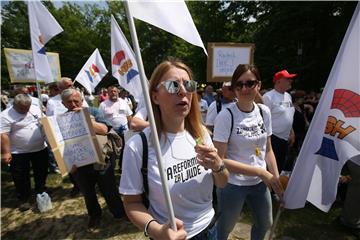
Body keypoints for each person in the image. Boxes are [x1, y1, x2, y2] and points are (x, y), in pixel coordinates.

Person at [119, 59, 229, 239]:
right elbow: (131, 203)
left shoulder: (200, 133)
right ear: (154, 96)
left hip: (211, 229)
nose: (183, 91)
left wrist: (218, 166)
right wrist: (157, 231)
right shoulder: (138, 146)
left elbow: (222, 182)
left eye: (189, 85)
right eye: (173, 85)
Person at [213, 64, 284, 240]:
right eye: (239, 84)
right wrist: (261, 172)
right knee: (224, 228)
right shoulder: (226, 116)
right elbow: (220, 160)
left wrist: (275, 180)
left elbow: (268, 150)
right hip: (232, 184)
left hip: (259, 184)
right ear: (234, 88)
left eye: (250, 83)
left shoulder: (264, 111)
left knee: (264, 224)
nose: (244, 89)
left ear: (258, 85)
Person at [61, 88, 125, 230]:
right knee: (88, 193)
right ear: (63, 104)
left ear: (82, 101)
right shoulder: (61, 120)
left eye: (76, 101)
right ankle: (95, 216)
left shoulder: (94, 112)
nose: (73, 104)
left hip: (101, 160)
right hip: (80, 164)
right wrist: (69, 163)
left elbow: (104, 130)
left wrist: (85, 119)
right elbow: (61, 144)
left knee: (109, 189)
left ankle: (119, 212)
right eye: (69, 102)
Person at [0, 94, 49, 211]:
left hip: (40, 148)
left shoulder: (34, 109)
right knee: (21, 176)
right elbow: (3, 135)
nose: (26, 110)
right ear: (14, 105)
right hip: (18, 152)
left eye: (27, 107)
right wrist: (6, 152)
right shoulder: (5, 115)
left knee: (41, 171)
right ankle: (24, 198)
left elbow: (45, 122)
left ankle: (40, 190)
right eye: (22, 108)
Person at [263, 70, 296, 174]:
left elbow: (288, 114)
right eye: (287, 79)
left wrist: (291, 132)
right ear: (278, 81)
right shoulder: (268, 97)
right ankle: (268, 188)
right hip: (273, 138)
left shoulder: (288, 96)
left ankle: (274, 189)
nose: (290, 81)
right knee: (271, 167)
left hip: (285, 138)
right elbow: (263, 119)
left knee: (280, 165)